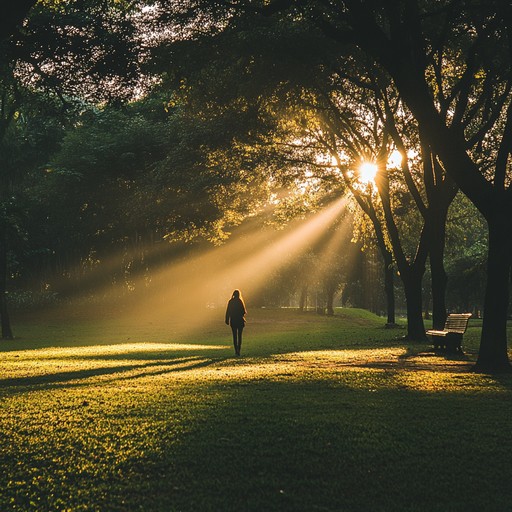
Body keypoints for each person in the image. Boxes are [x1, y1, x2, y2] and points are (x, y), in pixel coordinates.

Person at [225, 289, 247, 356]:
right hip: (240, 321)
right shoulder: (240, 301)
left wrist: (227, 320)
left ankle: (236, 350)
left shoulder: (230, 302)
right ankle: (239, 350)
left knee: (234, 336)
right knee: (239, 336)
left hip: (233, 321)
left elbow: (228, 311)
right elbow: (243, 311)